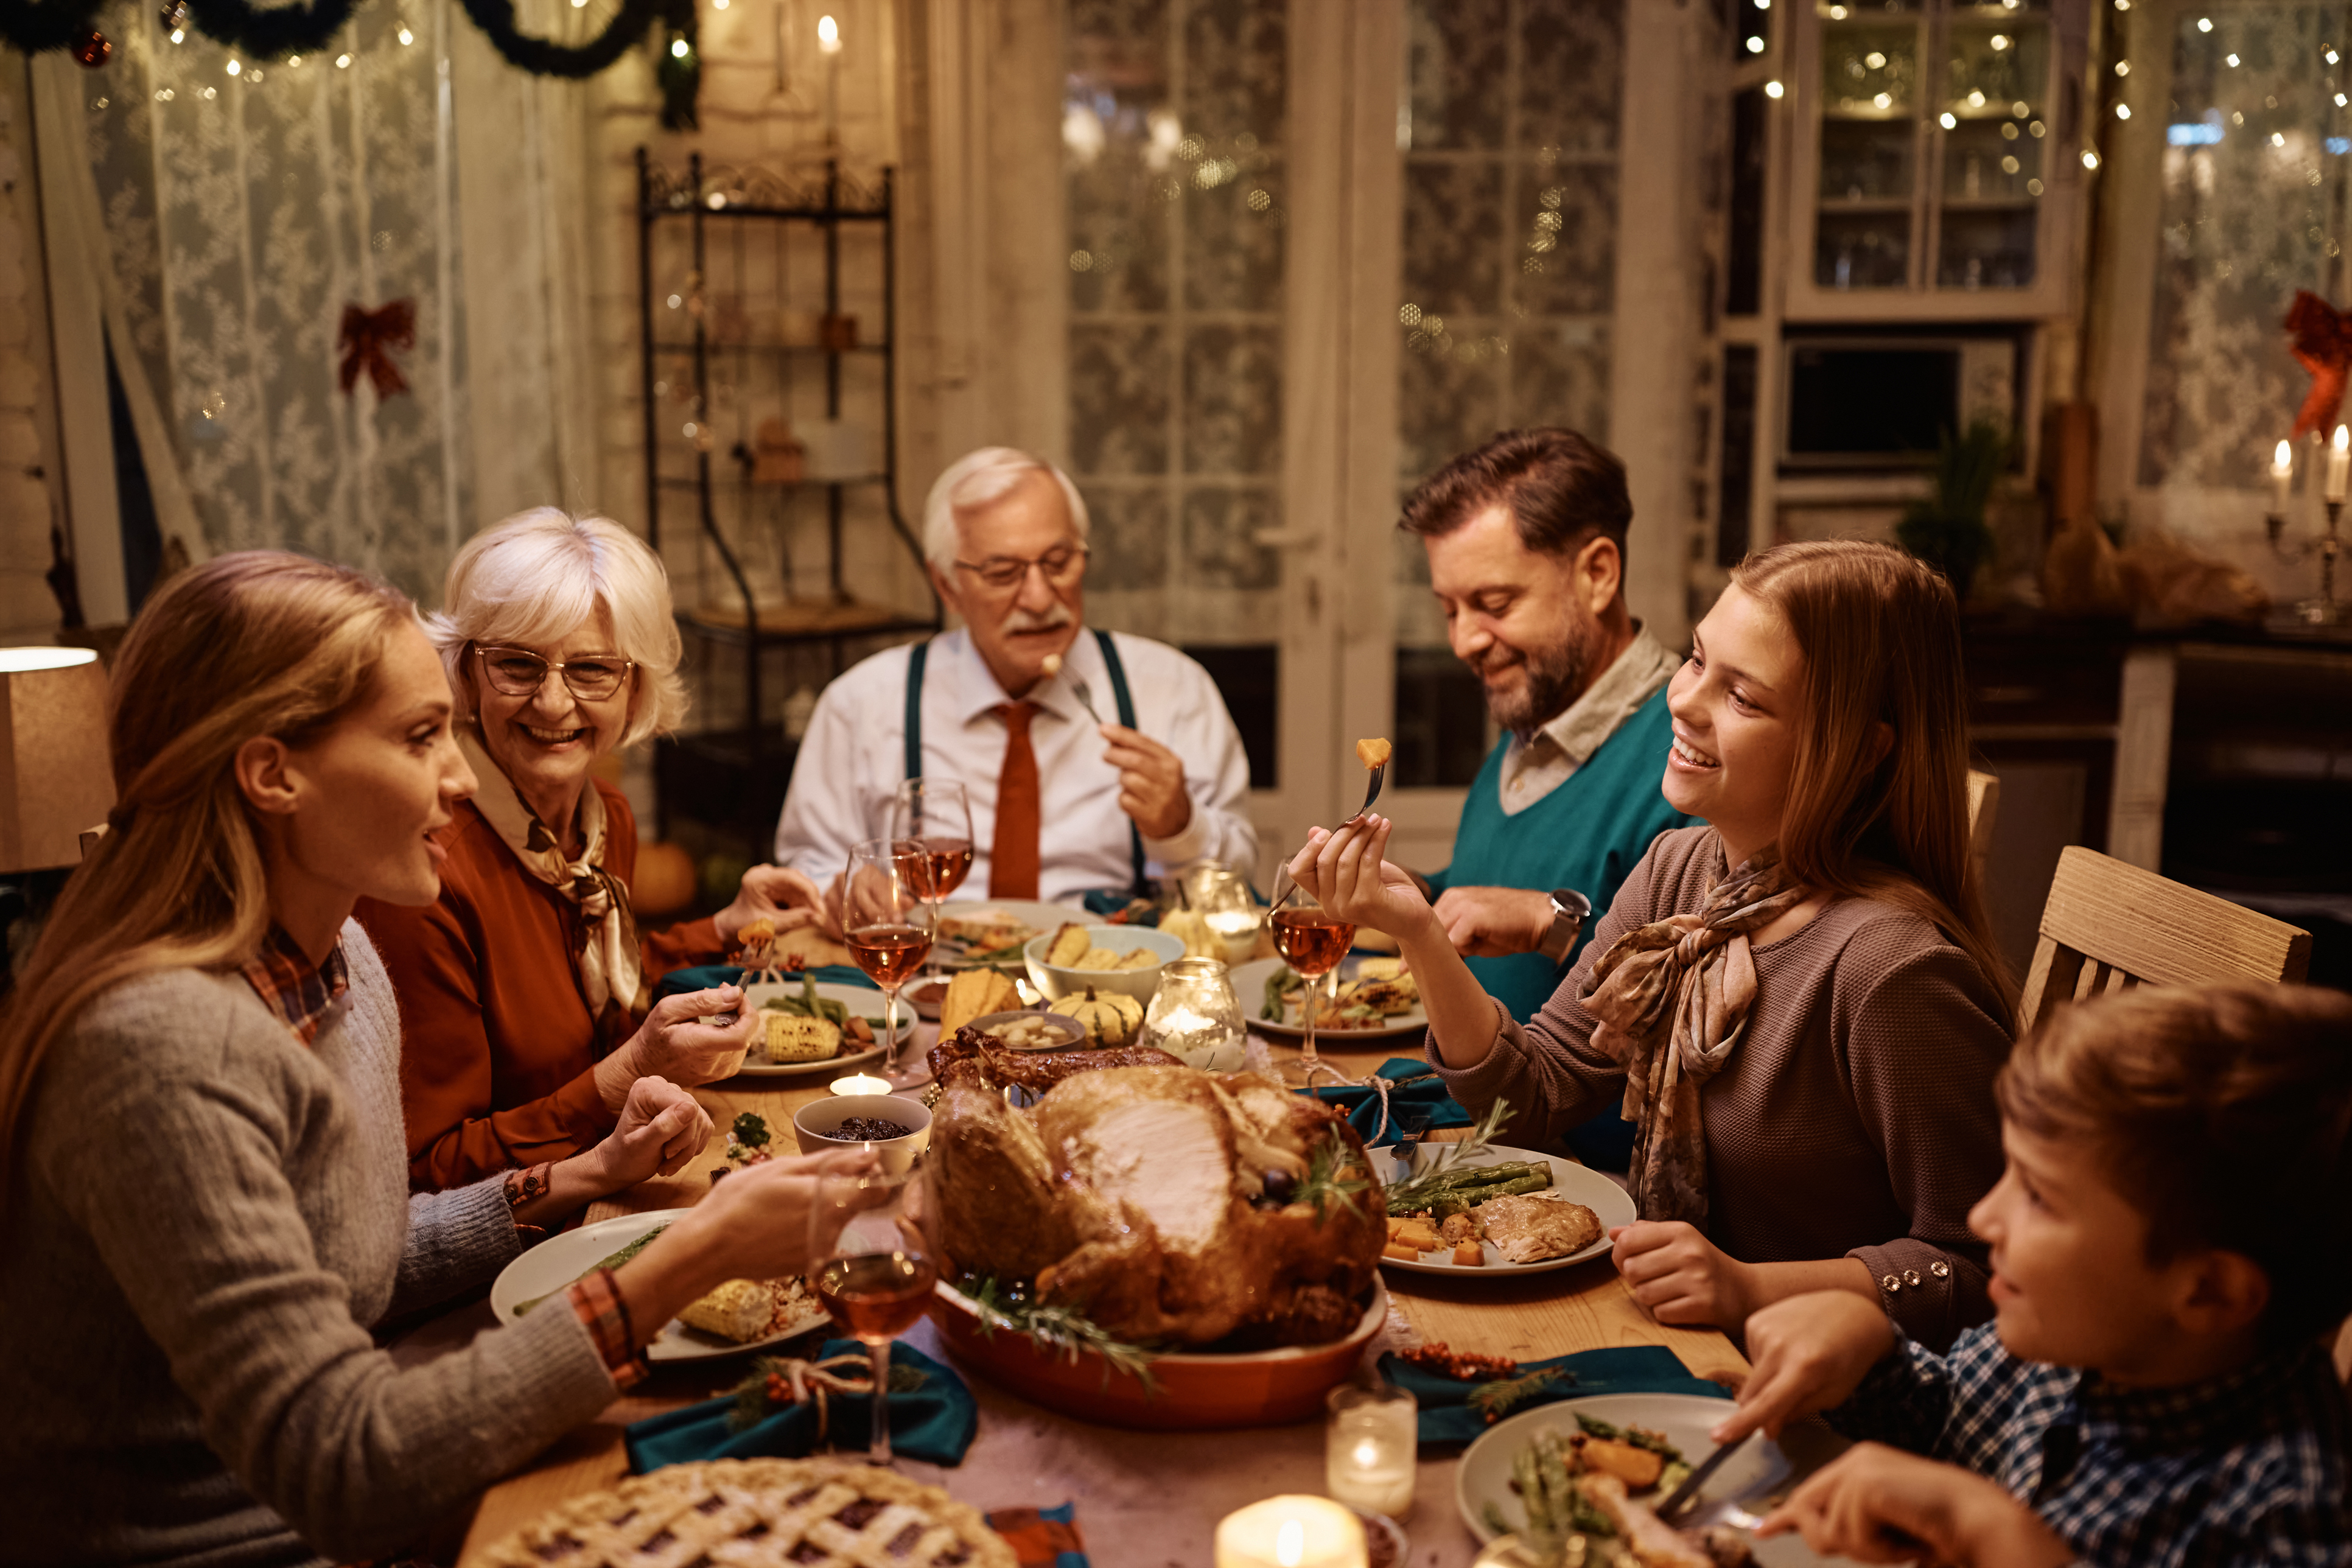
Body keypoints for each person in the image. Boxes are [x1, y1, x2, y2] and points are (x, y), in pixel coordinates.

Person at [0, 552, 866, 1566]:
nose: (461, 777)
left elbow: (351, 1257)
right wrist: (689, 1257)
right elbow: (345, 1466)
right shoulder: (159, 1050)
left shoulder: (339, 961)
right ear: (273, 772)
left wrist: (586, 1175)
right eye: (422, 737)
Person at [1292, 540, 2013, 1349]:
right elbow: (1535, 1094)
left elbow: (1982, 1265)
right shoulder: (1684, 872)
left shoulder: (1892, 971)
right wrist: (1419, 933)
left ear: (1857, 750)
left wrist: (1750, 1289)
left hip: (1816, 1402)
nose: (1684, 702)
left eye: (1742, 696)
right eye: (1697, 660)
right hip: (1671, 1334)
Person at [1720, 983, 2352, 1568]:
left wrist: (2003, 1539)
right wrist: (1866, 1348)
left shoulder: (2292, 1509)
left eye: (2040, 1196)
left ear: (2210, 1291)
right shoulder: (2064, 1339)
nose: (1982, 1216)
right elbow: (1945, 1417)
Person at [359, 509, 827, 1191]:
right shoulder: (425, 871)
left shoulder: (603, 817)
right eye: (517, 665)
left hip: (631, 1170)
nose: (553, 702)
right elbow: (431, 1175)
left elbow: (593, 987)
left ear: (635, 685)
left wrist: (722, 928)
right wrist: (627, 1074)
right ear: (464, 669)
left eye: (591, 669)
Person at [775, 446, 1256, 905]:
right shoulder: (862, 703)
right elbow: (808, 868)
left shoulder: (1171, 690)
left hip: (1111, 976)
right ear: (947, 585)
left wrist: (1181, 827)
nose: (1040, 599)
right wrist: (841, 888)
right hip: (928, 977)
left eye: (1058, 563)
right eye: (1004, 573)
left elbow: (1239, 885)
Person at [1398, 429, 1696, 1166]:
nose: (1466, 639)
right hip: (1471, 1116)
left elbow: (1707, 997)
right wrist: (1412, 893)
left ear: (1597, 572)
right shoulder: (1539, 719)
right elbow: (1493, 889)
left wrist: (1551, 922)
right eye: (1449, 609)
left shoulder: (1690, 752)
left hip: (1578, 1166)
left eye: (1493, 602)